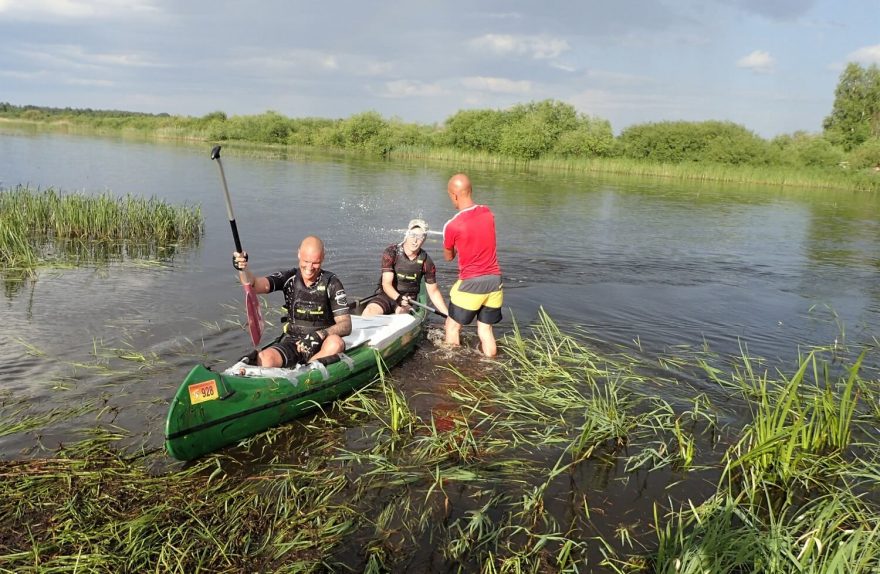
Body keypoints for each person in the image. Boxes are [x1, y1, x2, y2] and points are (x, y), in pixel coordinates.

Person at [232, 235, 351, 368]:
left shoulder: (332, 283)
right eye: (306, 261)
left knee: (336, 343)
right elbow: (254, 286)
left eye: (315, 262)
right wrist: (243, 269)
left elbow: (346, 325)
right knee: (265, 359)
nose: (310, 267)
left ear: (323, 257)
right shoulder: (289, 278)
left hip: (322, 343)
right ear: (299, 254)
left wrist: (320, 334)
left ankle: (305, 370)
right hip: (294, 342)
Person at [443, 173, 503, 357]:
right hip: (495, 282)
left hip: (471, 283)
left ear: (454, 195)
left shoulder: (452, 225)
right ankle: (490, 366)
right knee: (485, 331)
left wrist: (452, 244)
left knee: (452, 326)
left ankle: (451, 369)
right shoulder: (488, 212)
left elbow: (448, 257)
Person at [362, 219, 449, 317]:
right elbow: (386, 284)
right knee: (369, 311)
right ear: (407, 235)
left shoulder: (426, 261)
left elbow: (433, 292)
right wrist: (398, 298)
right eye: (412, 235)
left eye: (420, 237)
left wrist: (447, 314)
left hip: (409, 300)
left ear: (424, 239)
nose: (415, 241)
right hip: (387, 295)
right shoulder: (392, 252)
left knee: (401, 318)